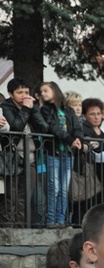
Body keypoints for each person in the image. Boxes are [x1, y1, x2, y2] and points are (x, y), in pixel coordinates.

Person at [0, 78, 48, 226]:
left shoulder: (31, 105)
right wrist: (26, 109)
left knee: (25, 194)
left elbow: (44, 127)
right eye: (19, 92)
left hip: (32, 156)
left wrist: (33, 109)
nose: (24, 95)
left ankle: (20, 225)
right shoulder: (6, 106)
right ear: (11, 94)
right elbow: (15, 128)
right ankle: (9, 225)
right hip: (12, 155)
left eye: (26, 92)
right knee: (11, 194)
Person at [39, 81, 84, 227]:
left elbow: (77, 127)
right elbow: (54, 128)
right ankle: (51, 220)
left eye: (46, 90)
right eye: (41, 92)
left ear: (54, 90)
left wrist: (78, 139)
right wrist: (71, 140)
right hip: (54, 151)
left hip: (68, 153)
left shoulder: (68, 110)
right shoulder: (45, 109)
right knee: (54, 187)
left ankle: (61, 219)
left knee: (64, 189)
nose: (43, 94)